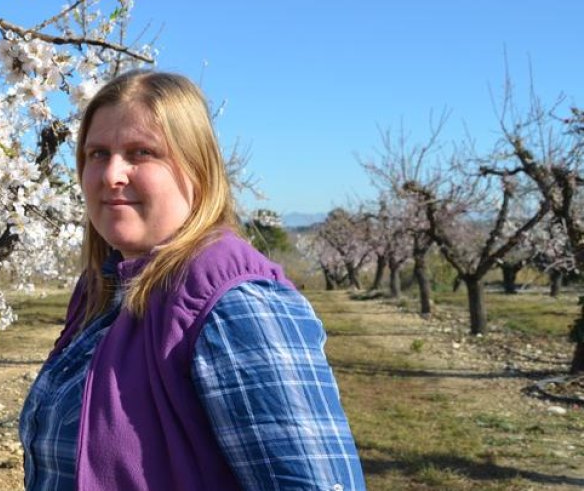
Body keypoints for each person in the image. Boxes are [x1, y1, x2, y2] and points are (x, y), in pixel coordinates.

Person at [19, 70, 365, 490]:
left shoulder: (234, 305)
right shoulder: (102, 292)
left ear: (197, 169)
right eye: (97, 154)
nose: (112, 174)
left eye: (141, 152)